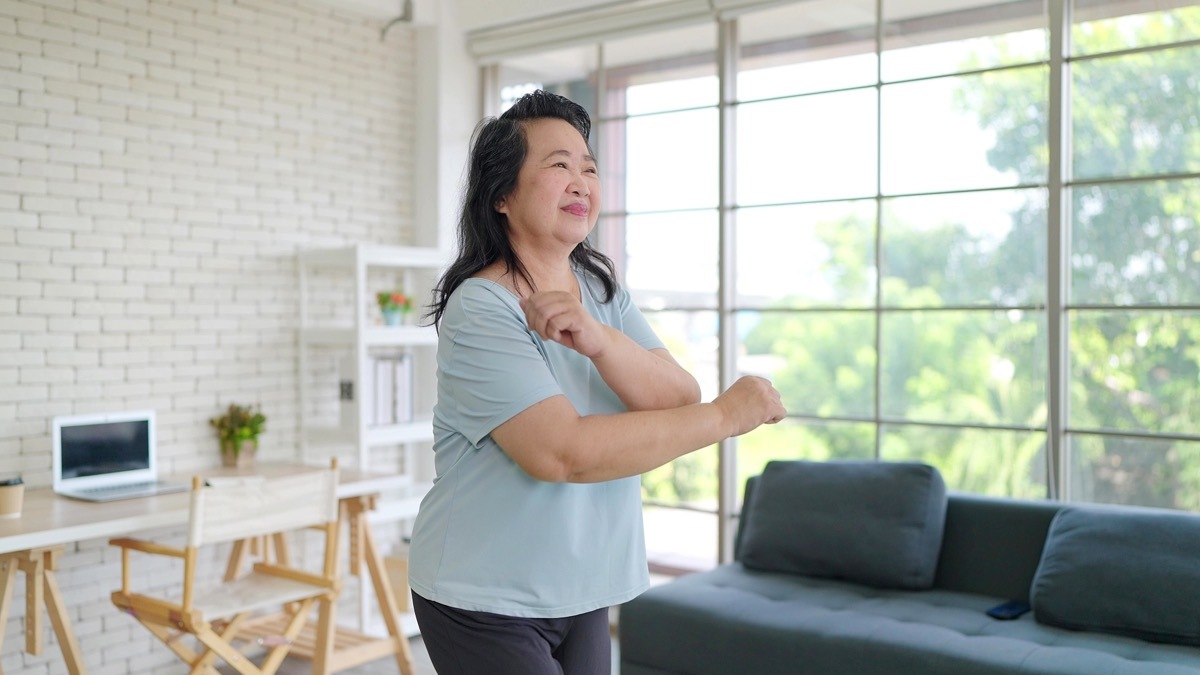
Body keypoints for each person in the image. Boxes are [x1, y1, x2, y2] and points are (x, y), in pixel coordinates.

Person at [407, 89, 786, 675]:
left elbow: (673, 393)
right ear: (502, 194)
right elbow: (561, 454)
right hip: (482, 593)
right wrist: (726, 417)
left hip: (581, 585)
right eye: (558, 165)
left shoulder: (602, 292)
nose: (581, 180)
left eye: (588, 166)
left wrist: (601, 339)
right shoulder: (481, 306)